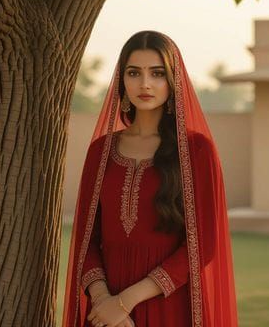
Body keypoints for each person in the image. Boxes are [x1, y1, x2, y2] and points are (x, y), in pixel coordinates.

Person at [62, 31, 237, 327]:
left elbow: (202, 247)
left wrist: (125, 301)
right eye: (134, 73)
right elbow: (86, 241)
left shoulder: (196, 151)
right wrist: (105, 302)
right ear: (122, 81)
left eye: (157, 73)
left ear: (172, 80)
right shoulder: (100, 152)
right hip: (105, 313)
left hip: (170, 306)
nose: (144, 84)